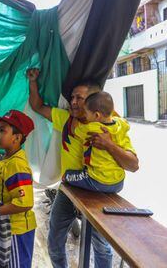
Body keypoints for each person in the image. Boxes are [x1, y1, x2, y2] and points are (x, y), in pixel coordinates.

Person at [27, 69, 139, 268]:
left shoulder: (112, 127)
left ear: (93, 102)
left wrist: (109, 145)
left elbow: (133, 165)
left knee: (101, 245)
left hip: (98, 193)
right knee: (54, 240)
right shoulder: (66, 119)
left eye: (80, 98)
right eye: (72, 97)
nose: (74, 102)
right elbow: (36, 106)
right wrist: (33, 81)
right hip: (70, 190)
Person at [63, 91, 137, 193]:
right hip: (118, 183)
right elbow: (118, 119)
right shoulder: (120, 125)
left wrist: (74, 116)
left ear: (97, 115)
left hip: (97, 180)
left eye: (86, 113)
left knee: (67, 175)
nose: (85, 115)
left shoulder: (91, 128)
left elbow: (75, 131)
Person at [0, 110, 36, 268]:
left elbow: (25, 203)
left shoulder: (16, 165)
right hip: (6, 227)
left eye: (2, 130)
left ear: (17, 138)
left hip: (17, 231)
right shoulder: (6, 159)